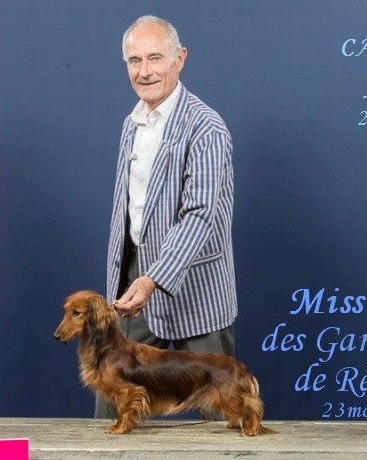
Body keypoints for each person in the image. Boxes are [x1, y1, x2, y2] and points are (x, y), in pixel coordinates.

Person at [95, 15, 237, 418]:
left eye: (155, 57)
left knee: (221, 419)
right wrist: (129, 278)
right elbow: (130, 211)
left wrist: (153, 278)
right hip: (134, 290)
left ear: (180, 58)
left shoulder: (206, 127)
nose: (145, 71)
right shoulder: (131, 124)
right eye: (134, 60)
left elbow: (200, 215)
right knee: (113, 412)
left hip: (198, 292)